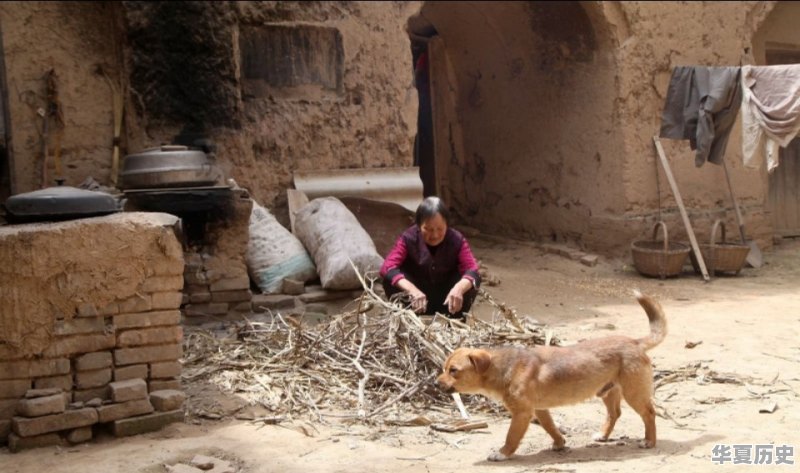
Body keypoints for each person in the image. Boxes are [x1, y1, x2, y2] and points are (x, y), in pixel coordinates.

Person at [380, 196, 481, 319]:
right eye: (428, 229)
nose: (434, 235)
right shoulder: (408, 238)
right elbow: (387, 267)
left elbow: (472, 269)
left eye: (440, 229)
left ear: (447, 225)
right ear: (418, 225)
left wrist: (459, 288)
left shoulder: (457, 239)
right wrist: (412, 290)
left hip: (446, 299)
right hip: (416, 300)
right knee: (390, 279)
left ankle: (456, 321)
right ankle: (407, 320)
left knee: (470, 280)